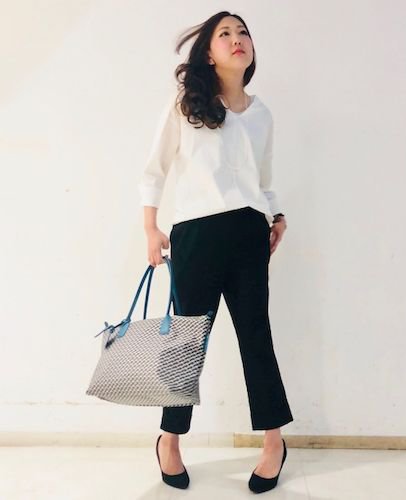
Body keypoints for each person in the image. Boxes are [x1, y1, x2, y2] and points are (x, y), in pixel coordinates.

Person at [138, 11, 293, 493]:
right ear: (208, 52)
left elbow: (263, 179)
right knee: (187, 344)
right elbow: (154, 170)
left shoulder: (262, 115)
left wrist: (276, 214)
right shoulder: (186, 104)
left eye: (243, 32)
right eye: (225, 33)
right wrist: (150, 228)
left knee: (256, 338)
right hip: (196, 235)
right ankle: (169, 440)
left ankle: (274, 443)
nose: (237, 38)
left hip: (248, 233)